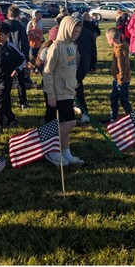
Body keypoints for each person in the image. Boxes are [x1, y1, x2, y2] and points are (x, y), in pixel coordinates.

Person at [41, 13, 83, 166]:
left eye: (78, 32)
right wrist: (51, 95)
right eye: (74, 31)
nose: (76, 35)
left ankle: (66, 152)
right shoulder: (56, 47)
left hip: (68, 90)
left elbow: (71, 69)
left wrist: (74, 84)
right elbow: (47, 72)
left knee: (66, 122)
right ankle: (51, 150)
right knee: (70, 122)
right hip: (57, 92)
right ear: (66, 29)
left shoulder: (71, 46)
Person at [0, 23, 23, 135]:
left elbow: (22, 59)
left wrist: (17, 70)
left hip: (6, 78)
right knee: (4, 101)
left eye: (1, 34)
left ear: (7, 35)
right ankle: (12, 118)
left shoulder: (11, 47)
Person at [105, 26, 133, 122]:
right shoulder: (117, 48)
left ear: (112, 39)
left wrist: (121, 79)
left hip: (122, 80)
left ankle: (131, 119)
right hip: (117, 79)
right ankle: (113, 118)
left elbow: (122, 67)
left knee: (124, 100)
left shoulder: (120, 50)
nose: (107, 42)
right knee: (113, 98)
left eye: (107, 39)